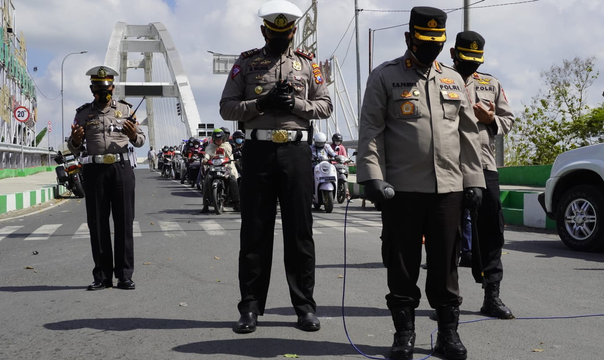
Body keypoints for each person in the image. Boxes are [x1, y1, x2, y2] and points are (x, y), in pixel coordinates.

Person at [356, 7, 485, 360]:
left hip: (448, 190)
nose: (431, 48)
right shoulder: (384, 76)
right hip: (401, 190)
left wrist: (474, 180)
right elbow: (371, 130)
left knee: (446, 265)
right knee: (402, 264)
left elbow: (469, 135)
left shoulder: (454, 80)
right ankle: (404, 334)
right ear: (409, 38)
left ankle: (448, 335)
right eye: (424, 41)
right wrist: (372, 177)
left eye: (437, 43)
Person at [219, 0, 332, 334]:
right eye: (274, 32)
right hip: (258, 151)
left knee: (300, 233)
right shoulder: (246, 63)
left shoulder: (307, 66)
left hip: (296, 152)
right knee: (255, 232)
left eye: (285, 32)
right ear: (264, 31)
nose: (280, 37)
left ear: (293, 32)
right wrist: (260, 104)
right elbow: (227, 108)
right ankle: (250, 308)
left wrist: (295, 104)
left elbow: (325, 105)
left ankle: (305, 308)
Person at [450, 30, 516, 321]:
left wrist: (491, 120)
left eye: (476, 60)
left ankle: (492, 296)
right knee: (448, 234)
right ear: (453, 54)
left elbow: (508, 120)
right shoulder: (440, 79)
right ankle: (447, 299)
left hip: (484, 166)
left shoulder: (492, 84)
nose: (472, 66)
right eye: (466, 59)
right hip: (447, 166)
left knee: (492, 232)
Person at [68, 65, 145, 291]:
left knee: (124, 222)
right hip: (94, 171)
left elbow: (140, 140)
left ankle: (124, 275)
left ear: (113, 87)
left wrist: (132, 135)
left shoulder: (126, 109)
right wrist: (74, 140)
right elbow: (74, 148)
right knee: (98, 224)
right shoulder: (83, 113)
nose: (103, 92)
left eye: (107, 87)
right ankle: (102, 276)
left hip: (121, 169)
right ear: (92, 89)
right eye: (98, 88)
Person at [201, 128, 240, 213]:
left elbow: (230, 156)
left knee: (233, 180)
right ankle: (205, 205)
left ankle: (236, 203)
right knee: (207, 180)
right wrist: (205, 160)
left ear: (223, 139)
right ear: (214, 139)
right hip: (213, 168)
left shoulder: (227, 146)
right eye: (216, 139)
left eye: (220, 139)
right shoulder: (210, 147)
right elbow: (207, 154)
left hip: (225, 168)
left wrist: (231, 160)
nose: (218, 141)